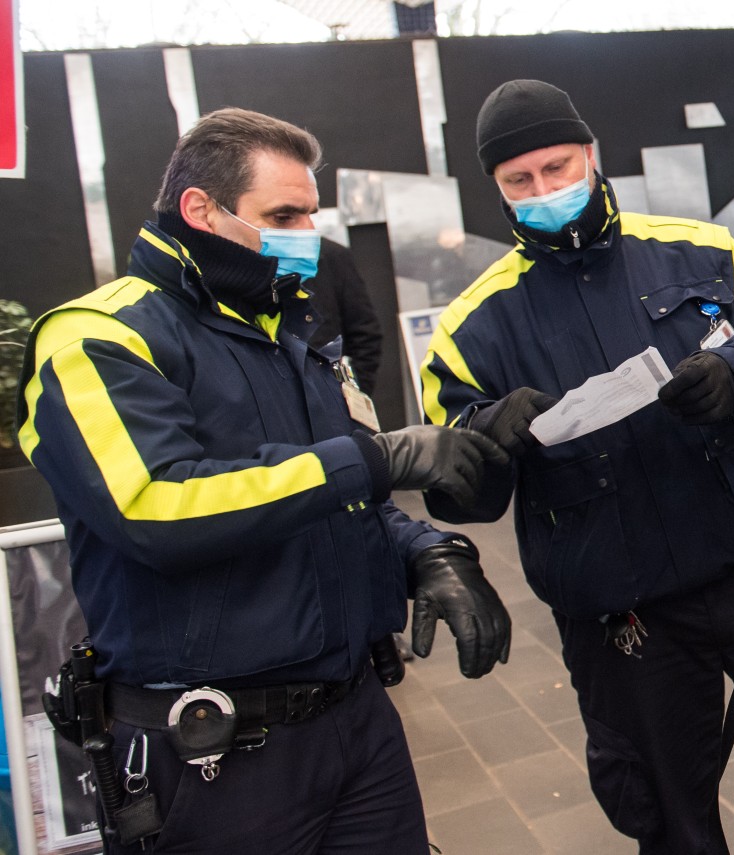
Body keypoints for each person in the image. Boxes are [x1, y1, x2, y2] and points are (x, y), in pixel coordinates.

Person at [16, 107, 513, 854]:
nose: (304, 233)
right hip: (215, 757)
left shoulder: (286, 338)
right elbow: (157, 506)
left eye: (310, 214)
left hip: (357, 725)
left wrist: (424, 551)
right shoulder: (98, 337)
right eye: (281, 214)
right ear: (199, 209)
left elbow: (334, 497)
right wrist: (376, 460)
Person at [418, 80, 734, 853]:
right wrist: (488, 435)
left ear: (593, 157)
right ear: (496, 190)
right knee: (671, 821)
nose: (545, 191)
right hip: (625, 623)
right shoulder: (470, 327)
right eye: (520, 181)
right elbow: (456, 487)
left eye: (558, 167)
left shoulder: (699, 250)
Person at [308, 237, 383, 393]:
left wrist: (353, 397)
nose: (307, 224)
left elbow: (365, 333)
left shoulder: (331, 255)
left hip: (328, 394)